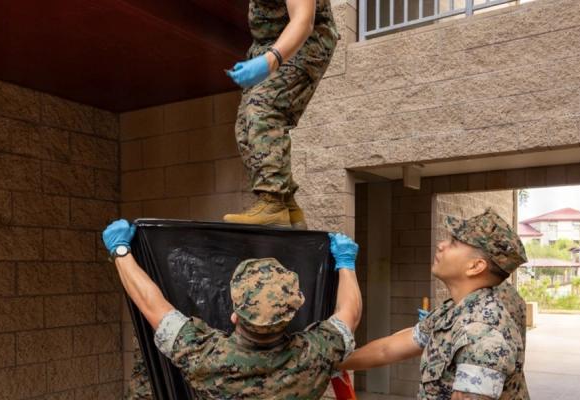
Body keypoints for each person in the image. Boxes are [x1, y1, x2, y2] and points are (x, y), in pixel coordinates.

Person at [102, 219, 362, 399]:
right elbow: (350, 313)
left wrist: (121, 252)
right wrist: (346, 263)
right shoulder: (317, 353)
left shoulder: (205, 357)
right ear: (293, 314)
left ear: (235, 314)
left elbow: (151, 304)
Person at [339, 209, 530, 399]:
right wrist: (330, 361)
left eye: (454, 243)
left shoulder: (482, 334)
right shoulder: (452, 311)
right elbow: (386, 350)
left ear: (475, 266)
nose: (440, 245)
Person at [222, 0, 340, 229]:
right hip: (269, 46)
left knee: (263, 110)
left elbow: (303, 20)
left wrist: (270, 60)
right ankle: (288, 205)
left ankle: (273, 201)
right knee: (245, 126)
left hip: (305, 43)